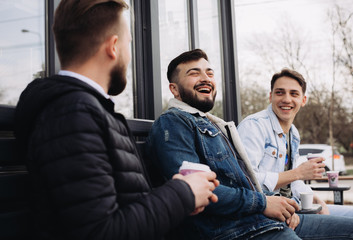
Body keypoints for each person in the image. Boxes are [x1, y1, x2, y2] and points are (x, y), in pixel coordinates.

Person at [14, 1, 219, 239]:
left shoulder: (82, 110)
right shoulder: (74, 114)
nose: (129, 55)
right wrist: (182, 193)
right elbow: (100, 231)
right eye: (129, 44)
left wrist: (180, 196)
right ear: (113, 46)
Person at [147, 49, 353, 240]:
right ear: (174, 89)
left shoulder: (213, 125)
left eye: (209, 73)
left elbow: (244, 183)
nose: (205, 78)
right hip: (236, 229)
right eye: (194, 73)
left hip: (262, 220)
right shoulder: (173, 123)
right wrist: (265, 203)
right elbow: (194, 193)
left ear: (304, 100)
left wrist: (284, 208)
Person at [237, 68, 353, 219]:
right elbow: (247, 182)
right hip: (268, 218)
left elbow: (292, 182)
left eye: (294, 94)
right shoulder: (253, 126)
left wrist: (314, 198)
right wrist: (298, 173)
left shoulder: (293, 134)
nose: (287, 99)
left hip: (294, 208)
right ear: (270, 97)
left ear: (303, 100)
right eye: (280, 92)